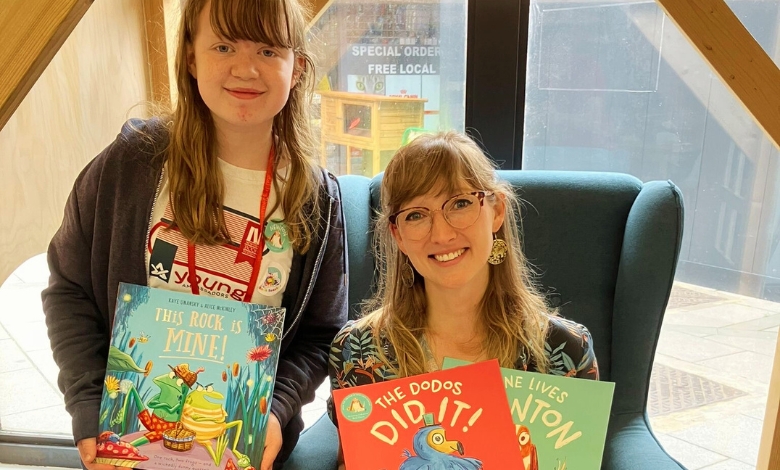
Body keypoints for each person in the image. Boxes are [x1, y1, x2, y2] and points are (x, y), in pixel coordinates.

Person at [41, 1, 347, 469]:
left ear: (297, 68)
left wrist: (275, 409)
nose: (245, 69)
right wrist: (87, 408)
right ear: (190, 57)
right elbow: (70, 290)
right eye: (223, 45)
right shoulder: (130, 164)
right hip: (129, 444)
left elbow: (320, 335)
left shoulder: (316, 198)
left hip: (242, 448)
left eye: (268, 50)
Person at [328, 132, 599, 468]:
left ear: (496, 211)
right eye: (416, 214)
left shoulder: (564, 349)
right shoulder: (357, 350)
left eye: (460, 203)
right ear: (398, 235)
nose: (441, 234)